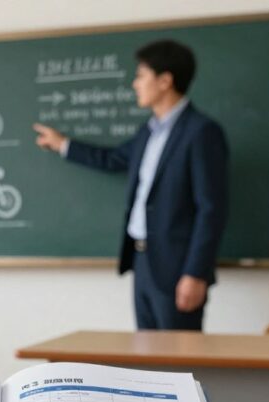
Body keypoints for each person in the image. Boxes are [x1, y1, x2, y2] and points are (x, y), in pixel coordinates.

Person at [34, 40, 228, 330]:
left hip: (178, 268)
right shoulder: (147, 132)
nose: (135, 84)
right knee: (146, 363)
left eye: (140, 76)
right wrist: (63, 144)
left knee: (178, 365)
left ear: (165, 81)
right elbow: (112, 158)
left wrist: (195, 273)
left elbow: (211, 209)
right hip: (142, 260)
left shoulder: (201, 132)